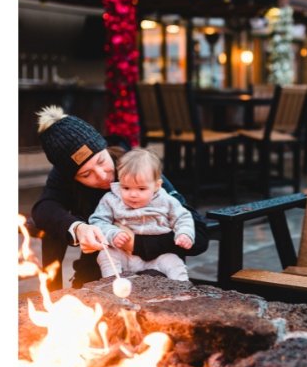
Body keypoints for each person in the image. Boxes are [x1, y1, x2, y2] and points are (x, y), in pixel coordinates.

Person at [29, 106, 208, 290]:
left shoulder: (136, 168)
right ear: (72, 177)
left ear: (104, 147)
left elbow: (200, 235)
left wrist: (135, 244)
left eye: (101, 161)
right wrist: (78, 228)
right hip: (102, 269)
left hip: (157, 265)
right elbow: (43, 209)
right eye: (86, 174)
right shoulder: (64, 174)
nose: (101, 175)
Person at [91, 145, 195, 283]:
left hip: (157, 257)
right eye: (126, 187)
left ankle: (183, 290)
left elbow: (183, 217)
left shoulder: (166, 201)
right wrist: (112, 233)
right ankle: (112, 284)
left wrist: (184, 233)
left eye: (141, 188)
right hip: (124, 255)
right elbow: (98, 221)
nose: (133, 194)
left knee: (175, 263)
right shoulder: (111, 200)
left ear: (157, 186)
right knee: (105, 255)